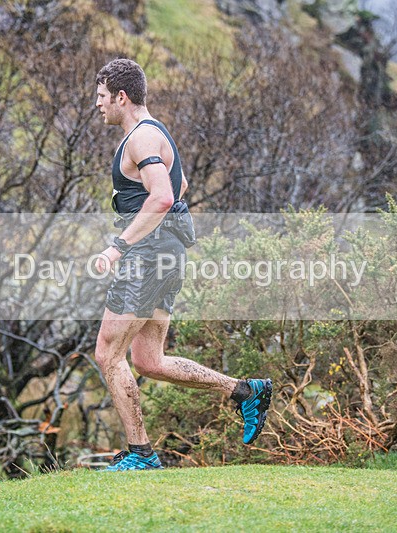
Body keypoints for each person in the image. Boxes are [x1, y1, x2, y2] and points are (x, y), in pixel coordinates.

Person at [93, 58, 272, 471]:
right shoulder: (157, 133)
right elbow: (181, 184)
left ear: (122, 97)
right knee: (149, 362)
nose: (98, 104)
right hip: (167, 255)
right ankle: (246, 391)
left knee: (108, 354)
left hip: (147, 258)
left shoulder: (140, 138)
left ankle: (141, 454)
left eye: (102, 96)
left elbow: (163, 197)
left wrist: (118, 247)